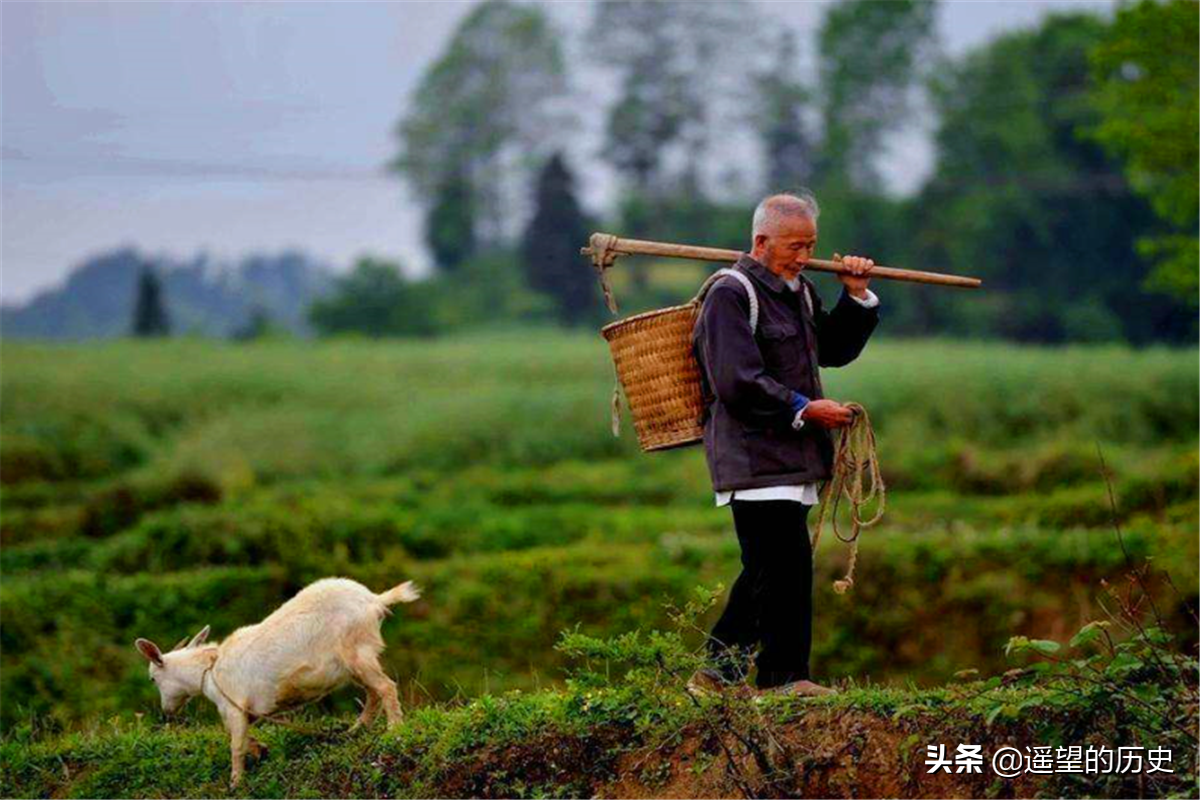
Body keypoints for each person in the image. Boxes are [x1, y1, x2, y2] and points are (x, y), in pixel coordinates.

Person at [689, 191, 879, 697]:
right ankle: (784, 680)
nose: (803, 256)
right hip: (753, 457)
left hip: (794, 457)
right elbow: (735, 380)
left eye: (810, 245)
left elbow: (832, 351)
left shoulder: (800, 290)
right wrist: (804, 407)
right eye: (794, 247)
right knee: (784, 568)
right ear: (761, 241)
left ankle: (717, 675)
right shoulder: (730, 294)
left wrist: (856, 296)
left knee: (770, 570)